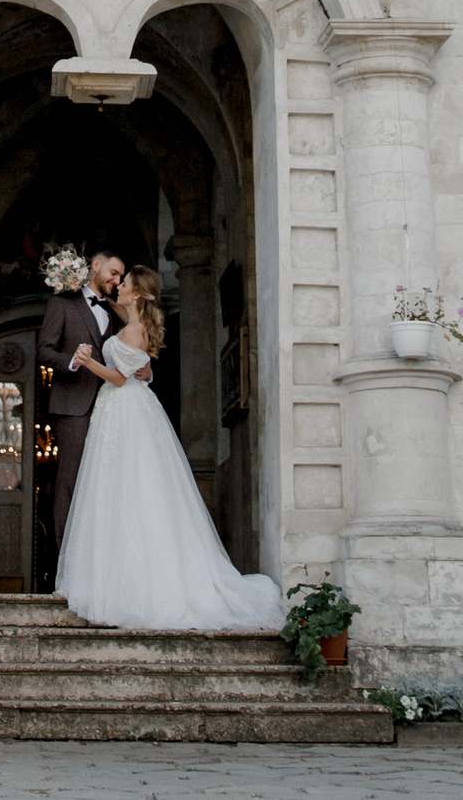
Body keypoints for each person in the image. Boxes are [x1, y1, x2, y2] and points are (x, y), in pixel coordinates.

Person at [54, 268, 285, 631]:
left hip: (124, 408)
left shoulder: (133, 329)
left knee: (129, 489)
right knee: (123, 491)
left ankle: (133, 590)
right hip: (124, 409)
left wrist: (88, 361)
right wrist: (87, 286)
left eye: (125, 283)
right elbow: (117, 311)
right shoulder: (132, 319)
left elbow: (118, 377)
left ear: (136, 295)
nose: (119, 285)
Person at [36, 249, 126, 546]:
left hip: (108, 406)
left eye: (121, 277)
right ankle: (66, 560)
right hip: (73, 405)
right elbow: (44, 351)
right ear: (96, 265)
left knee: (102, 483)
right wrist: (73, 362)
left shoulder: (115, 310)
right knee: (70, 483)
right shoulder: (61, 304)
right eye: (113, 273)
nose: (117, 280)